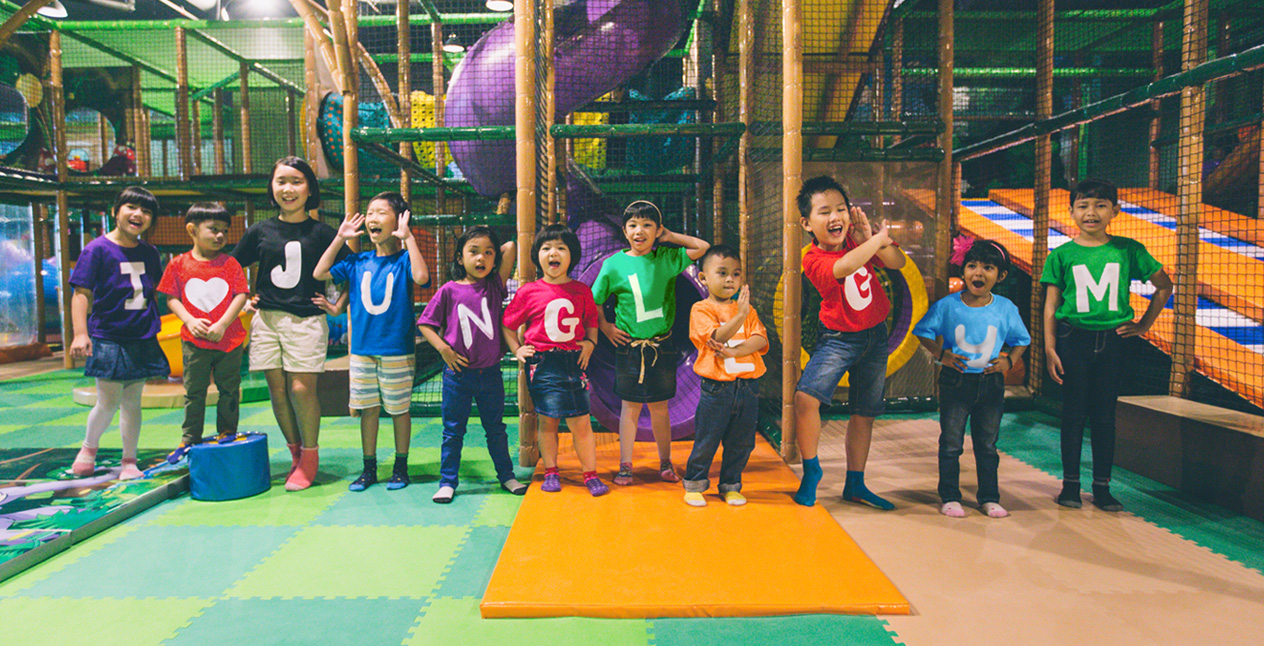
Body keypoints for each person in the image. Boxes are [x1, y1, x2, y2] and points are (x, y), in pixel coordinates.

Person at [1042, 178, 1172, 512]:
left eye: (1100, 205)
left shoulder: (1129, 250)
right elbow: (1051, 304)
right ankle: (1070, 485)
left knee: (1104, 416)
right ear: (1071, 211)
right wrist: (1050, 346)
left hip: (1114, 342)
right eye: (1083, 205)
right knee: (1072, 415)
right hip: (1074, 340)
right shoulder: (1062, 255)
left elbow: (1164, 286)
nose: (1091, 212)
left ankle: (1102, 488)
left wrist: (1144, 324)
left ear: (1115, 210)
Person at [232, 156, 347, 491]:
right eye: (281, 181)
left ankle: (310, 456)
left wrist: (338, 305)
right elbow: (232, 267)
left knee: (301, 388)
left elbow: (352, 270)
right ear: (272, 188)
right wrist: (246, 296)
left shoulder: (323, 232)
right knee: (277, 390)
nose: (288, 188)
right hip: (266, 320)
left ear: (309, 188)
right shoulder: (259, 231)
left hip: (307, 321)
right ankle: (294, 454)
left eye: (296, 181)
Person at [792, 175, 905, 508]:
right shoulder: (812, 258)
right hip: (839, 339)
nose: (836, 217)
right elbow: (843, 267)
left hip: (876, 336)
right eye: (824, 211)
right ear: (807, 223)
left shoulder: (860, 241)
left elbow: (896, 263)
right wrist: (875, 240)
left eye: (841, 208)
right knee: (805, 398)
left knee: (865, 411)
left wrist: (875, 240)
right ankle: (812, 471)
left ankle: (855, 483)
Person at [314, 192, 430, 492]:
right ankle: (369, 469)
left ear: (399, 219)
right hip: (362, 351)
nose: (373, 218)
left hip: (396, 350)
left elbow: (421, 277)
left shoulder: (404, 259)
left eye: (381, 212)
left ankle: (400, 467)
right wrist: (340, 237)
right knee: (368, 409)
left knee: (399, 410)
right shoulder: (357, 261)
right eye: (370, 212)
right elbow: (320, 272)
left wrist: (409, 238)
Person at [591, 201, 710, 485]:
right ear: (624, 230)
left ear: (658, 230)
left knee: (660, 407)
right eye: (632, 225)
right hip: (630, 348)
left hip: (662, 347)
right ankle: (625, 465)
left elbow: (702, 247)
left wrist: (671, 237)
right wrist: (606, 327)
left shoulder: (666, 259)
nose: (639, 231)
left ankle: (666, 462)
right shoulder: (613, 265)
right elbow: (594, 301)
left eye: (647, 225)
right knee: (629, 407)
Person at [913, 237, 1030, 518]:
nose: (978, 273)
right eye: (972, 266)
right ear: (963, 270)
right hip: (956, 383)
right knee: (951, 443)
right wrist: (943, 356)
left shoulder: (1005, 308)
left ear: (1000, 276)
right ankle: (950, 496)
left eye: (988, 267)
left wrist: (1009, 361)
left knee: (987, 445)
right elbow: (922, 331)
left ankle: (989, 497)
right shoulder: (948, 305)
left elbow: (1021, 339)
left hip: (991, 384)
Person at [418, 226, 527, 503]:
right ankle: (447, 481)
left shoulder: (494, 286)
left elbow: (511, 247)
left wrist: (490, 248)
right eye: (473, 252)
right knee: (453, 430)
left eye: (488, 253)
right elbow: (426, 325)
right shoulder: (448, 290)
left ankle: (506, 476)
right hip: (458, 375)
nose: (481, 258)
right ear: (459, 258)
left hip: (490, 374)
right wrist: (444, 350)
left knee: (496, 428)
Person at [69, 187, 169, 480]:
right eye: (131, 207)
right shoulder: (97, 249)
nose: (138, 215)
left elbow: (156, 291)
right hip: (109, 335)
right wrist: (80, 333)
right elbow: (81, 293)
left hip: (141, 335)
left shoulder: (150, 253)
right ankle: (88, 448)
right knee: (108, 400)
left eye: (147, 211)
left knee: (132, 401)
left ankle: (129, 460)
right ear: (115, 211)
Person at [502, 224, 610, 497]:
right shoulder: (529, 291)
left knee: (581, 422)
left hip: (574, 363)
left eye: (561, 248)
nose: (554, 253)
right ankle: (551, 470)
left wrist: (591, 342)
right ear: (537, 255)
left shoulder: (582, 291)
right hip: (542, 364)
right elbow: (508, 323)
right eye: (547, 248)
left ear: (571, 256)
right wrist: (517, 349)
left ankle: (590, 473)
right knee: (547, 421)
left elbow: (591, 322)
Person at [159, 203, 250, 464]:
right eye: (213, 229)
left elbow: (240, 294)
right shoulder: (178, 264)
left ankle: (228, 431)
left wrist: (222, 324)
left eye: (224, 230)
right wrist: (188, 320)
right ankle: (189, 438)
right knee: (194, 391)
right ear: (192, 230)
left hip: (229, 340)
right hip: (194, 342)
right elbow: (171, 298)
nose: (220, 235)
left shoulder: (230, 263)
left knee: (230, 389)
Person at [681, 245, 768, 507]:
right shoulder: (701, 309)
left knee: (742, 442)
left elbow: (760, 339)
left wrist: (733, 352)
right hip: (717, 389)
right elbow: (715, 338)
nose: (730, 279)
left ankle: (731, 484)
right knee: (707, 438)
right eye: (722, 273)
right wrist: (739, 316)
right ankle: (695, 484)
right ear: (704, 278)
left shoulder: (747, 310)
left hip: (748, 387)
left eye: (736, 273)